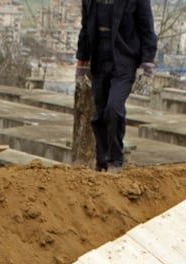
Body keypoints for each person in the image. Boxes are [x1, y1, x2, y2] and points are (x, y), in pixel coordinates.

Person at [75, 0, 157, 172]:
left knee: (114, 108)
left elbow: (147, 28)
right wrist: (82, 63)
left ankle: (115, 160)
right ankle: (102, 161)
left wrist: (147, 64)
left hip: (124, 60)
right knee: (100, 115)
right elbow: (85, 29)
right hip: (99, 59)